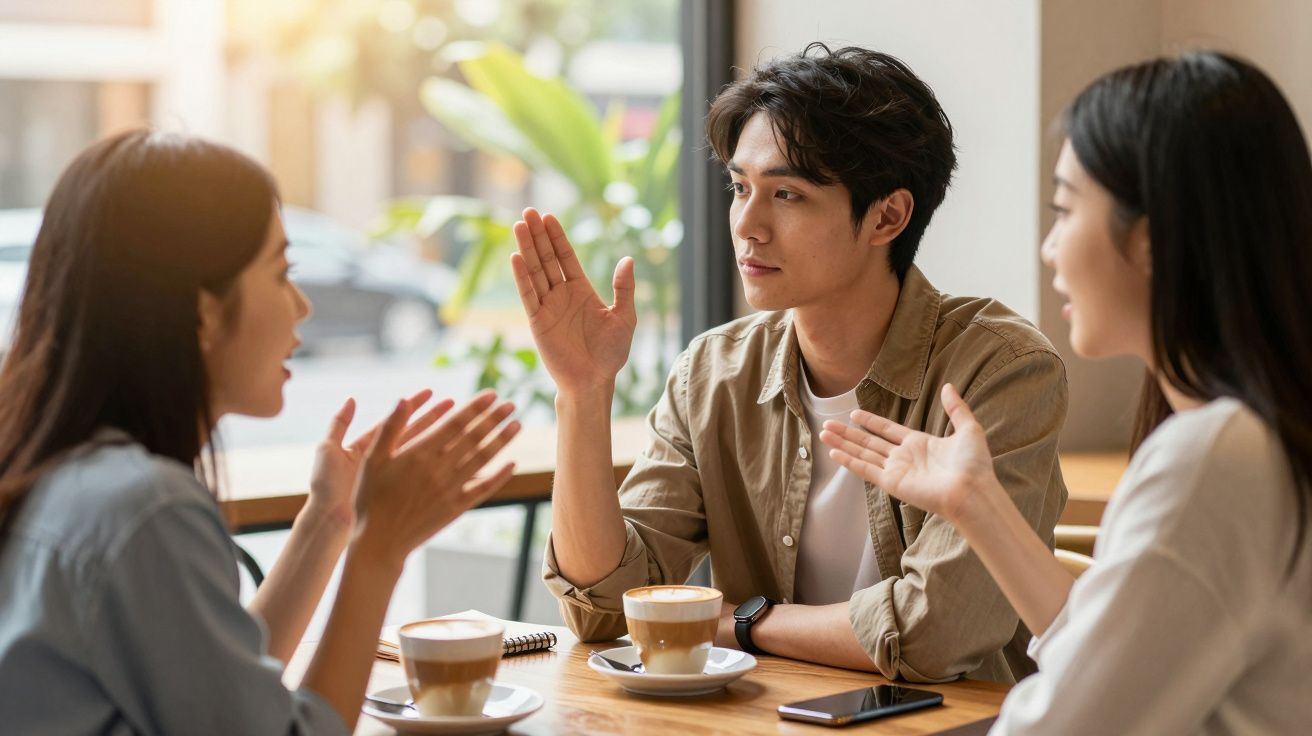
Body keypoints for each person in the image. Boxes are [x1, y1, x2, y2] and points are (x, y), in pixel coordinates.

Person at [510, 43, 1068, 682]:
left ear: (888, 216)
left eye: (787, 194)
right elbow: (608, 605)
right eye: (739, 187)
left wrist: (732, 623)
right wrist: (583, 394)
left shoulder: (1001, 369)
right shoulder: (714, 373)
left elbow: (937, 631)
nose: (747, 224)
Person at [822, 51, 1312, 733]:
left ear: (1148, 240)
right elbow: (1118, 654)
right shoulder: (1254, 438)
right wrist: (977, 505)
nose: (1049, 249)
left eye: (1064, 210)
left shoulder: (1214, 458)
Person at [0, 130, 521, 734]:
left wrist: (329, 520)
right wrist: (379, 552)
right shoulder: (145, 510)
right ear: (204, 313)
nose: (301, 306)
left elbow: (220, 691)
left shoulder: (67, 479)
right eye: (281, 273)